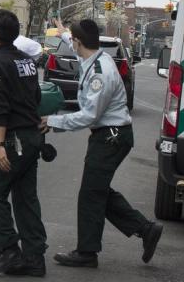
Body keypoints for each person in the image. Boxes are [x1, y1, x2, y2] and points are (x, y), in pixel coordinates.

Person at [42, 19, 163, 268]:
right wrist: (64, 32)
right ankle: (145, 229)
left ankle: (87, 253)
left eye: (72, 40)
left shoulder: (100, 73)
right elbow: (75, 42)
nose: (70, 43)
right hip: (109, 135)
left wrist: (52, 121)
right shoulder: (95, 57)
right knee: (96, 190)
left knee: (90, 193)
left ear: (78, 42)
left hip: (112, 137)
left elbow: (89, 115)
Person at [0, 9, 47, 277]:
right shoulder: (26, 61)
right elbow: (37, 95)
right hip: (31, 136)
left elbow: (0, 108)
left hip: (14, 139)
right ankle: (34, 257)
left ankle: (9, 251)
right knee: (25, 198)